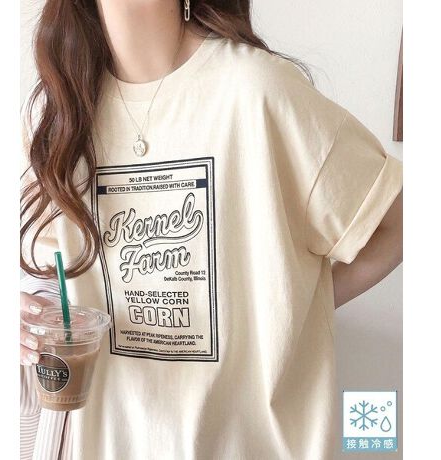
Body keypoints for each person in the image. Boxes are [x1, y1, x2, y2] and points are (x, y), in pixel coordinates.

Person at [20, 1, 403, 459]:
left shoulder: (259, 92)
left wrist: (291, 304)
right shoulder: (59, 119)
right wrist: (23, 314)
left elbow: (399, 222)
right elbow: (54, 281)